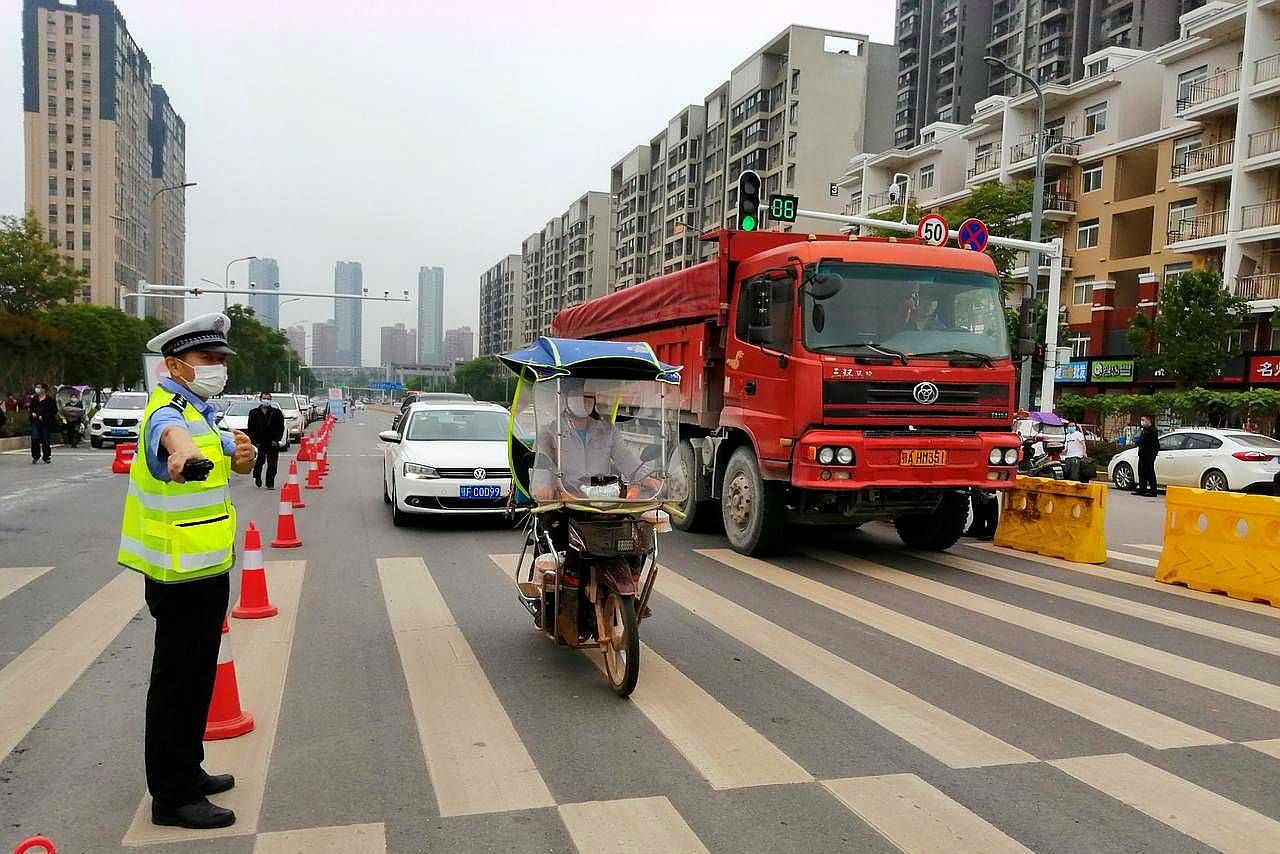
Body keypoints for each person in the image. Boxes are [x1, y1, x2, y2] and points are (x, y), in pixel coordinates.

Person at [117, 312, 257, 830]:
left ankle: (188, 769)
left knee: (198, 676)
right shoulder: (168, 412)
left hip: (203, 567)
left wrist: (239, 456)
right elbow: (173, 440)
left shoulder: (202, 412)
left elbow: (226, 457)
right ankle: (172, 796)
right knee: (178, 679)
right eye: (207, 359)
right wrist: (182, 456)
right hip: (179, 573)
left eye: (221, 359)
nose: (218, 367)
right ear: (175, 365)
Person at [530, 380, 652, 500]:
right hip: (566, 501)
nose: (583, 398)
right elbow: (542, 465)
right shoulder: (549, 434)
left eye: (588, 394)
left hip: (602, 501)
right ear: (564, 397)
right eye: (577, 393)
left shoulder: (607, 430)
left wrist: (646, 478)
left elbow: (625, 458)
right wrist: (544, 488)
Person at [246, 393, 285, 488]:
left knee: (272, 464)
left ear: (271, 400)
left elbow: (281, 428)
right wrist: (254, 441)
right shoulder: (254, 412)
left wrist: (277, 440)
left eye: (268, 398)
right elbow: (250, 428)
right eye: (264, 398)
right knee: (259, 462)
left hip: (272, 442)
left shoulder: (276, 412)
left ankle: (270, 483)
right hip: (259, 443)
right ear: (260, 399)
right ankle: (257, 476)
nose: (266, 400)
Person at [28, 383, 58, 464]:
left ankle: (46, 456)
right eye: (37, 387)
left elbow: (54, 411)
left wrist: (44, 416)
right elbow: (31, 409)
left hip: (45, 423)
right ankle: (35, 456)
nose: (37, 389)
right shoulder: (34, 399)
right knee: (35, 439)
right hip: (35, 422)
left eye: (39, 387)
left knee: (45, 440)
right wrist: (32, 413)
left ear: (44, 389)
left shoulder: (49, 400)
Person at [1134, 416, 1160, 496]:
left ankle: (1153, 491)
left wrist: (1153, 455)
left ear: (1148, 420)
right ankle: (1142, 489)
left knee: (1150, 473)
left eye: (1143, 420)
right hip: (1142, 454)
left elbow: (1154, 444)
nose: (1142, 422)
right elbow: (1140, 441)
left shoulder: (1153, 430)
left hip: (1149, 455)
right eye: (1141, 420)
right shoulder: (1144, 430)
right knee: (1141, 472)